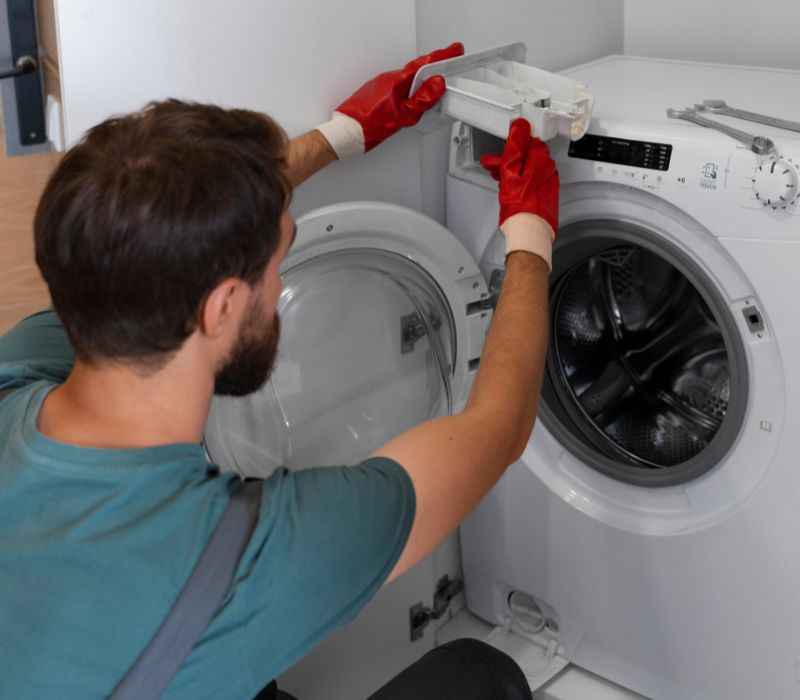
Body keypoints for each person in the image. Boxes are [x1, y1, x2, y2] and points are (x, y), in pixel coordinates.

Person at [0, 42, 557, 700]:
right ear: (223, 307)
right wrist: (532, 235)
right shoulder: (250, 553)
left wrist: (341, 136)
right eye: (275, 264)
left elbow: (146, 240)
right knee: (481, 675)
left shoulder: (21, 371)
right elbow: (501, 425)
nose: (277, 293)